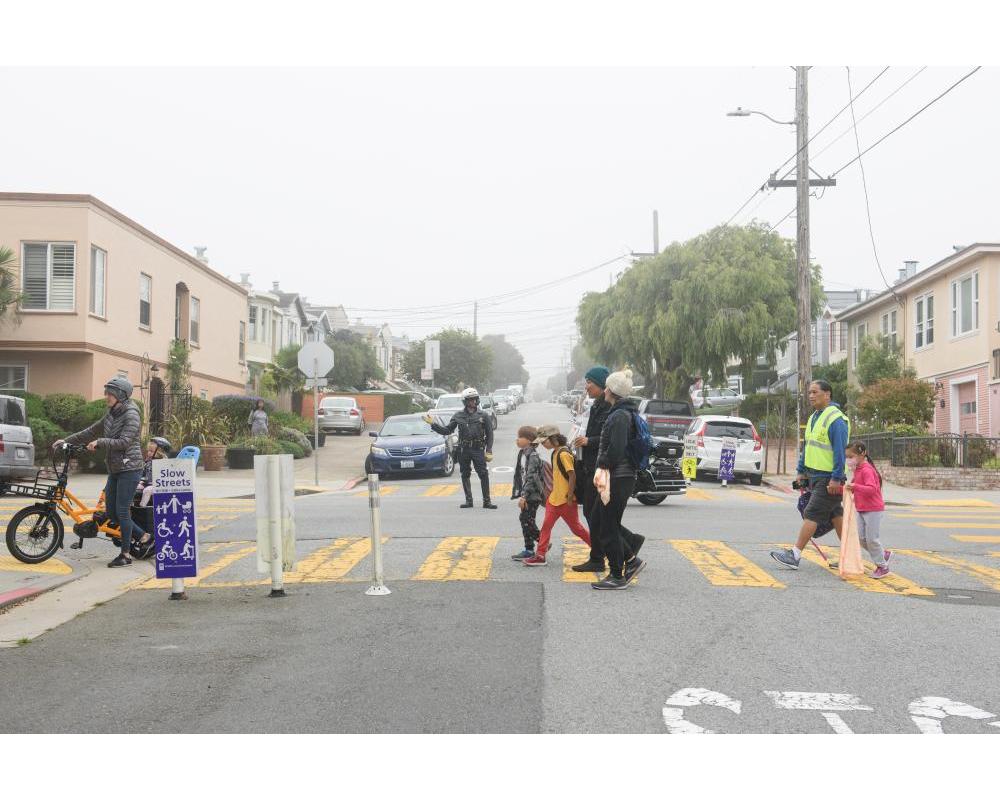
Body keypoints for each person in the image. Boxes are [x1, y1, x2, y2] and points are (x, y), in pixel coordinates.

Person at [54, 376, 151, 566]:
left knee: (122, 511)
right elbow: (91, 431)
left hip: (130, 467)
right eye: (107, 392)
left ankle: (125, 555)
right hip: (116, 468)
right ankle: (145, 536)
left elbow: (125, 441)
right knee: (112, 513)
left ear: (120, 395)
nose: (106, 396)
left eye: (110, 393)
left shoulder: (132, 414)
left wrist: (101, 442)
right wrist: (66, 440)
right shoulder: (111, 413)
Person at [570, 365, 644, 572]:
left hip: (609, 473)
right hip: (597, 468)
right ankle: (625, 549)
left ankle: (621, 559)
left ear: (606, 388)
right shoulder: (601, 407)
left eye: (590, 383)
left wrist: (601, 461)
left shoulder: (617, 413)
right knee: (599, 517)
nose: (586, 387)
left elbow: (614, 444)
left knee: (602, 519)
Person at [770, 379, 850, 570]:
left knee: (811, 513)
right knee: (836, 516)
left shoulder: (836, 420)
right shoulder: (815, 417)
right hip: (814, 476)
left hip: (828, 478)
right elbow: (807, 448)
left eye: (815, 392)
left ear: (827, 394)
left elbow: (840, 452)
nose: (811, 396)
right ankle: (855, 556)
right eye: (809, 393)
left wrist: (836, 478)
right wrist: (800, 472)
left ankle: (795, 554)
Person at [591, 369, 647, 589]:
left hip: (618, 477)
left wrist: (601, 462)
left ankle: (617, 574)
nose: (604, 390)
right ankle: (632, 553)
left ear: (612, 391)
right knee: (598, 519)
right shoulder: (620, 412)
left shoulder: (620, 416)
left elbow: (615, 451)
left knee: (607, 526)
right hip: (615, 476)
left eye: (606, 387)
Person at [523, 425, 591, 566]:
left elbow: (572, 475)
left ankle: (598, 549)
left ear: (553, 438)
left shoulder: (563, 454)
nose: (543, 444)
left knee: (576, 528)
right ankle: (540, 555)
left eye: (544, 441)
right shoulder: (555, 452)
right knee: (546, 527)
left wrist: (570, 495)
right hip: (554, 500)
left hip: (566, 500)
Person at [424, 387, 496, 509]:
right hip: (464, 449)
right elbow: (447, 430)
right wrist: (433, 424)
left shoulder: (483, 415)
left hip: (478, 449)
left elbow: (490, 434)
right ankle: (469, 501)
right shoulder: (458, 416)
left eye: (474, 399)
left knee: (483, 474)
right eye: (470, 399)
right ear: (465, 401)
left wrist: (488, 449)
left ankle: (487, 501)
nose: (473, 401)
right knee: (465, 474)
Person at [845, 440, 891, 578]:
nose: (848, 460)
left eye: (851, 456)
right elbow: (856, 484)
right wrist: (850, 487)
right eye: (847, 457)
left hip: (873, 509)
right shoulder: (858, 469)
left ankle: (882, 566)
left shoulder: (867, 470)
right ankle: (883, 554)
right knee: (861, 538)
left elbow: (872, 489)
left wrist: (855, 487)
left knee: (872, 540)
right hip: (861, 508)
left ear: (862, 454)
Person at [511, 425, 545, 560]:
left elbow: (531, 477)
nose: (517, 440)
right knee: (526, 520)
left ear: (529, 440)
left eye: (520, 437)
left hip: (533, 495)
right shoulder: (525, 453)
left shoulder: (533, 456)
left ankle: (542, 542)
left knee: (526, 519)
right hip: (529, 493)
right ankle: (529, 549)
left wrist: (524, 496)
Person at [136, 436, 171, 507]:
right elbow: (143, 473)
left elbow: (166, 478)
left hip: (158, 486)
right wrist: (141, 480)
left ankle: (142, 508)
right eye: (148, 450)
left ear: (159, 452)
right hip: (147, 483)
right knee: (133, 487)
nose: (149, 453)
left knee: (147, 490)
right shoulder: (148, 462)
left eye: (151, 451)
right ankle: (131, 506)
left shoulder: (164, 463)